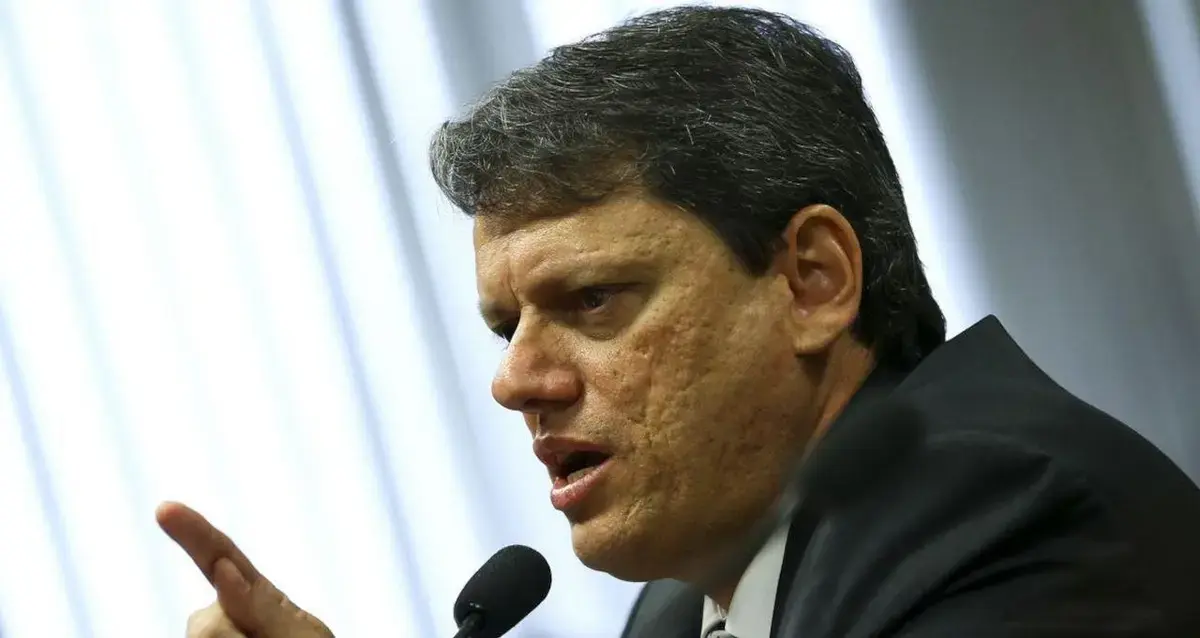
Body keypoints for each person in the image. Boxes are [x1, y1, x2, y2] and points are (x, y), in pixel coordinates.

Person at [159, 6, 1200, 637]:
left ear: (812, 281)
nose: (515, 381)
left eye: (592, 299)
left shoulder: (1004, 516)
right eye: (505, 325)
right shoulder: (680, 609)